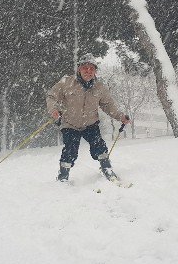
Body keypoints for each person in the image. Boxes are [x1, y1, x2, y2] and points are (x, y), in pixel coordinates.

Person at [46, 53, 131, 182]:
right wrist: (54, 110)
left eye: (92, 68)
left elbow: (108, 105)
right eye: (85, 67)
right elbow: (52, 96)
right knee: (70, 150)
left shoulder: (99, 87)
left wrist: (121, 116)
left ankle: (107, 169)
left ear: (95, 71)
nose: (88, 71)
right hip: (70, 124)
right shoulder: (66, 82)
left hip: (90, 124)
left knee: (99, 146)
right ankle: (63, 176)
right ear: (79, 69)